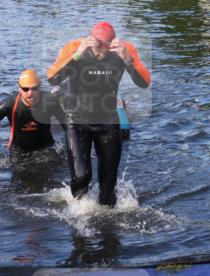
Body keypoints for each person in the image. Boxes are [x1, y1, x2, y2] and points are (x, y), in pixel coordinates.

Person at [47, 22, 151, 206]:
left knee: (108, 186)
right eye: (96, 44)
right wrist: (78, 54)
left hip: (108, 120)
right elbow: (53, 78)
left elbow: (144, 83)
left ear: (112, 43)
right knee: (82, 176)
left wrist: (128, 60)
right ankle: (79, 213)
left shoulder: (124, 50)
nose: (100, 50)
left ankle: (107, 224)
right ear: (90, 39)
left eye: (105, 45)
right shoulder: (74, 47)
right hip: (77, 119)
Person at [0, 69, 66, 154]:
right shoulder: (8, 104)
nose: (30, 93)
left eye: (34, 88)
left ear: (39, 86)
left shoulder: (50, 101)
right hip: (19, 151)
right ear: (19, 88)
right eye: (25, 89)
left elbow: (66, 124)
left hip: (46, 149)